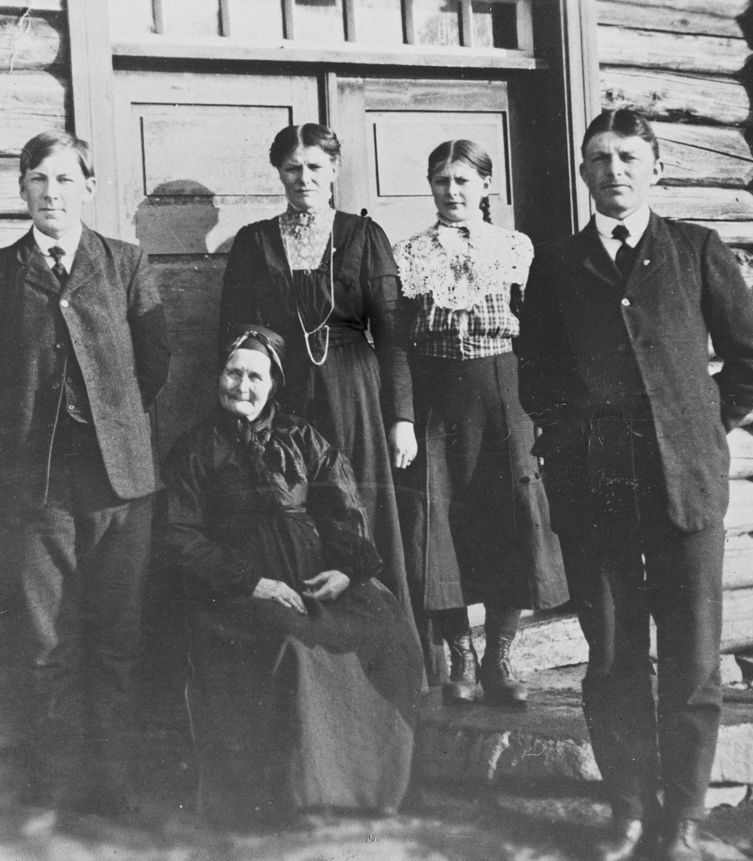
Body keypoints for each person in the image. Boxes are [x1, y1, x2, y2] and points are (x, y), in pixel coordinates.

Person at [518, 109, 753, 861]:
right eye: (599, 158)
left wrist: (696, 429)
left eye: (629, 157)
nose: (614, 170)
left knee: (692, 656)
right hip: (594, 487)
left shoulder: (696, 250)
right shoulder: (560, 265)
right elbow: (536, 374)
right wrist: (572, 444)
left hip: (684, 486)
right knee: (612, 655)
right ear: (583, 173)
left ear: (656, 168)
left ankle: (683, 815)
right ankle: (628, 807)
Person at [0, 130, 171, 815]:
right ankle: (53, 788)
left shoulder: (126, 263)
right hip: (37, 485)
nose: (52, 192)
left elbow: (156, 364)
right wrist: (20, 432)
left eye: (64, 179)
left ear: (88, 187)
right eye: (38, 180)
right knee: (45, 637)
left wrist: (111, 421)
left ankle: (113, 787)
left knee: (117, 636)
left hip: (119, 483)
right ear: (22, 190)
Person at [163, 325, 423, 823]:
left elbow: (344, 509)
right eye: (232, 373)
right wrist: (251, 582)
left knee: (390, 634)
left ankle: (376, 790)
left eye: (254, 376)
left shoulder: (303, 437)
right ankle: (302, 797)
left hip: (315, 578)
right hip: (235, 590)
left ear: (274, 383)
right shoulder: (197, 448)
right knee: (294, 645)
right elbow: (180, 536)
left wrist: (347, 571)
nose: (241, 386)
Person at [392, 140, 568, 706]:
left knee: (511, 520)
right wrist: (403, 415)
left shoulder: (515, 248)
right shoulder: (411, 254)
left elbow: (540, 331)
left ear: (486, 186)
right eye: (441, 181)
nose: (453, 192)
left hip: (505, 392)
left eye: (464, 180)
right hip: (440, 394)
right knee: (440, 524)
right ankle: (461, 654)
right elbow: (396, 340)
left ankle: (501, 655)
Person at [219, 123, 416, 628]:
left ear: (333, 170)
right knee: (293, 505)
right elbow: (233, 332)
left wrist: (401, 416)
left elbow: (393, 335)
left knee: (361, 504)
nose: (303, 178)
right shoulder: (253, 241)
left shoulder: (364, 235)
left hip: (354, 391)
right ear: (278, 172)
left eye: (314, 167)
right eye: (292, 168)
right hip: (281, 398)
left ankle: (378, 639)